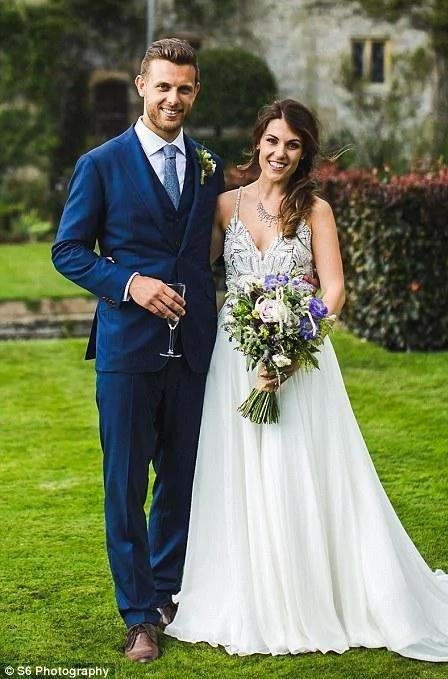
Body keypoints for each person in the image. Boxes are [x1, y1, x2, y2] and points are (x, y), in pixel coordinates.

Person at [165, 99, 448, 661]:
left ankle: (308, 592)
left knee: (298, 466)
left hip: (299, 356)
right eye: (273, 141)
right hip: (236, 357)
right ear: (257, 142)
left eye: (293, 145)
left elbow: (333, 290)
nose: (280, 153)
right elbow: (195, 268)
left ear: (303, 152)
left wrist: (294, 348)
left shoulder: (315, 210)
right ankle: (246, 592)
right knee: (239, 467)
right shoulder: (225, 205)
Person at [52, 38, 224, 662]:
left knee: (180, 479)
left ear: (195, 92)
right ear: (141, 86)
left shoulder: (207, 165)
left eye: (184, 88)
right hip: (127, 350)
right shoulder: (100, 164)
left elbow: (206, 251)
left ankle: (166, 593)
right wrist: (131, 284)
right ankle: (138, 617)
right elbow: (68, 250)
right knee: (125, 485)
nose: (173, 98)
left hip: (194, 347)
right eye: (163, 86)